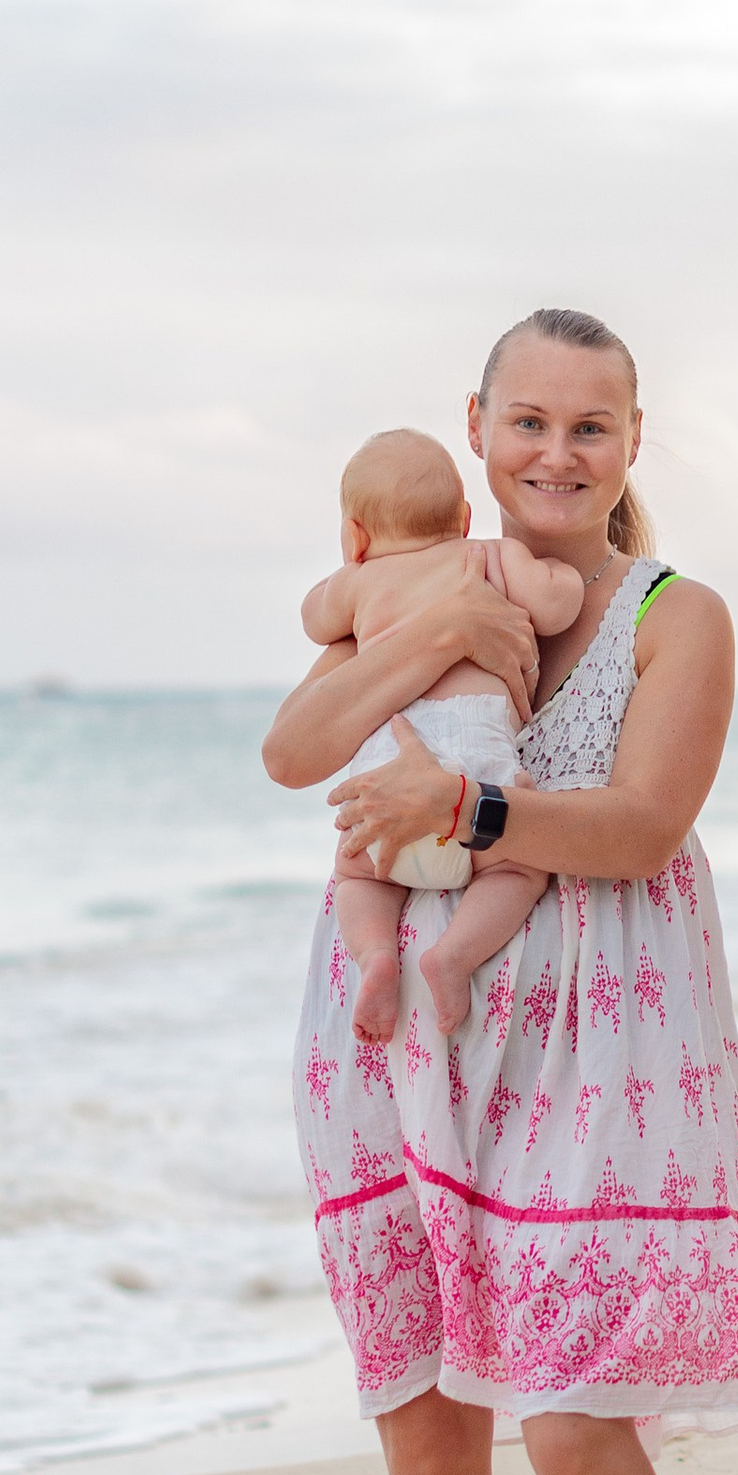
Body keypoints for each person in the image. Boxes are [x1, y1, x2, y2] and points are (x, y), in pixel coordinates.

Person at [265, 306, 738, 1475]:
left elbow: (645, 826)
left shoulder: (677, 613)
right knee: (430, 1431)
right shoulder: (425, 581)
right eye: (527, 422)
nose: (554, 455)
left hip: (603, 1032)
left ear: (634, 443)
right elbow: (295, 748)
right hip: (397, 1028)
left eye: (592, 427)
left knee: (579, 1429)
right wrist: (409, 629)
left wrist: (466, 801)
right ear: (478, 423)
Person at [302, 425, 581, 1044]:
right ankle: (452, 958)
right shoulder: (489, 557)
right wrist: (556, 572)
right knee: (517, 871)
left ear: (356, 536)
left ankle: (377, 956)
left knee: (357, 875)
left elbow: (314, 618)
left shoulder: (361, 581)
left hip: (389, 768)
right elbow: (558, 607)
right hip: (473, 767)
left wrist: (349, 583)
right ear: (464, 515)